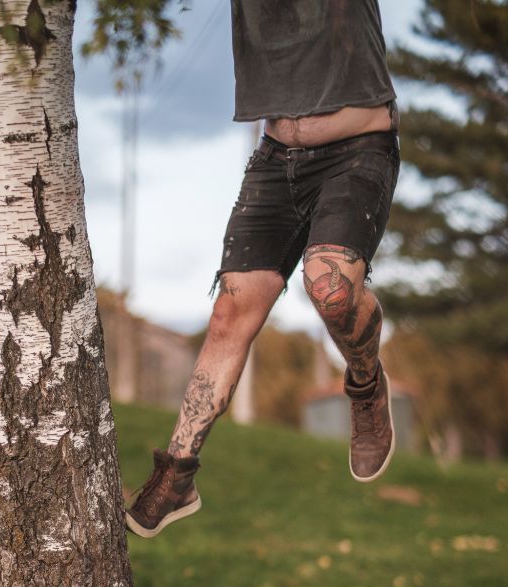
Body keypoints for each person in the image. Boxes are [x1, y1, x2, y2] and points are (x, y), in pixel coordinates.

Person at [127, 1, 401, 538]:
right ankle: (178, 473)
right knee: (230, 313)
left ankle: (366, 386)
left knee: (330, 286)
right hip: (277, 160)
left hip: (359, 148)